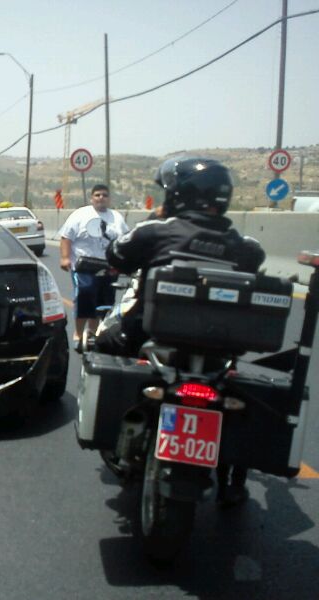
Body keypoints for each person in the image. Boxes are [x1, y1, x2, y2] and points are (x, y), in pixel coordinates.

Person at [96, 157, 265, 507]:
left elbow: (116, 253)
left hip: (149, 335)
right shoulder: (245, 246)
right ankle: (234, 478)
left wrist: (156, 220)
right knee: (235, 389)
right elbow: (256, 261)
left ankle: (114, 439)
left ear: (177, 195)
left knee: (103, 343)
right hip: (220, 346)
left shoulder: (157, 231)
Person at [59, 184, 128, 346]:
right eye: (97, 195)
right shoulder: (80, 215)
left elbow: (125, 241)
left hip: (109, 267)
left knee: (105, 301)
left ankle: (95, 333)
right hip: (84, 267)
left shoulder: (116, 218)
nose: (101, 198)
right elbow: (66, 237)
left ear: (109, 199)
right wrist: (64, 258)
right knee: (85, 295)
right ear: (92, 198)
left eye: (104, 195)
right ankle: (78, 333)